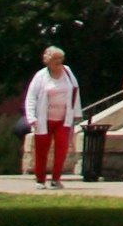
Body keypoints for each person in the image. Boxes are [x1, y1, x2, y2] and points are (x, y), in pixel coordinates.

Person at [22, 48, 82, 187]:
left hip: (63, 119)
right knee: (42, 150)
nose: (59, 62)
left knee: (62, 149)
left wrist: (77, 113)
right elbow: (31, 97)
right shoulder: (40, 76)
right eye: (55, 59)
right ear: (48, 60)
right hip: (44, 119)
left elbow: (75, 91)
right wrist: (31, 117)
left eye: (61, 58)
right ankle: (40, 180)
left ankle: (56, 179)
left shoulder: (67, 71)